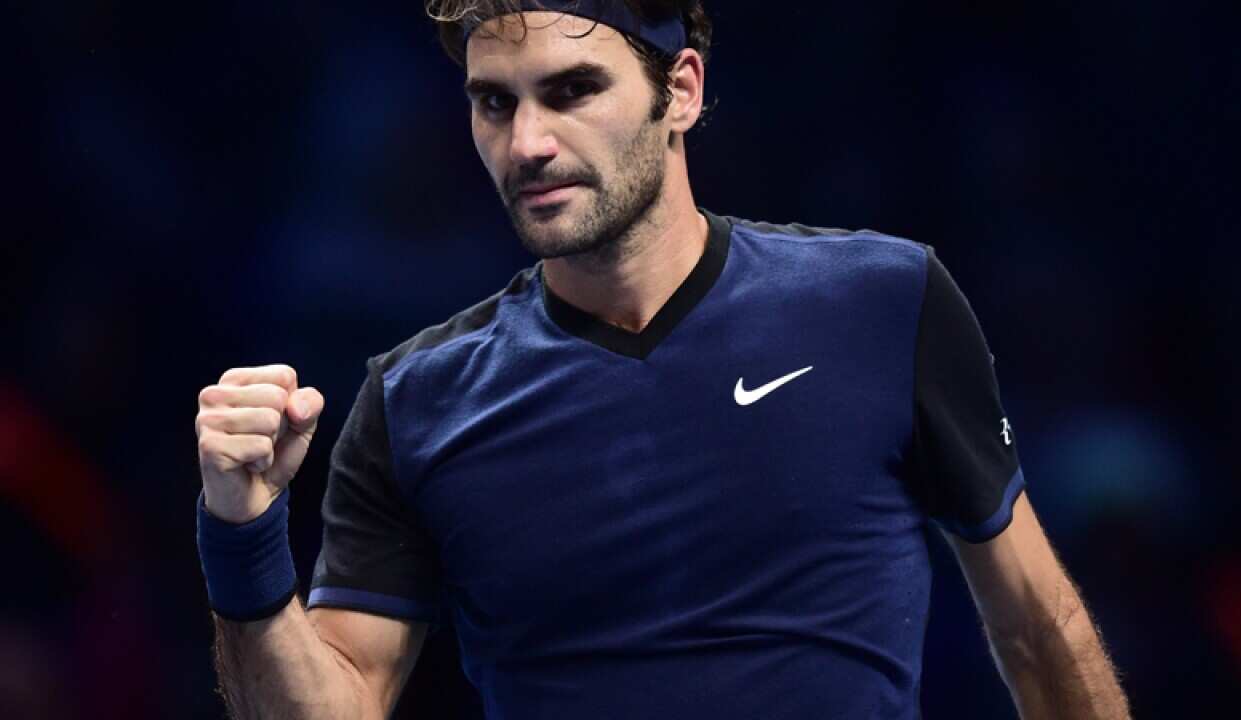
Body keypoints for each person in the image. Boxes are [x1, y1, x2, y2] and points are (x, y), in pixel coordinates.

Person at [193, 1, 1131, 718]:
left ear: (679, 90)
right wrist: (242, 535)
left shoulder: (886, 302)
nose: (528, 144)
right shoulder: (414, 403)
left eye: (571, 90)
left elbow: (1036, 629)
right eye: (494, 103)